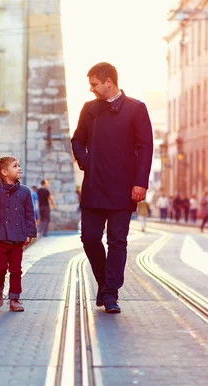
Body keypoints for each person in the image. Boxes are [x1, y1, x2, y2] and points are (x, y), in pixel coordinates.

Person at [71, 62, 153, 314]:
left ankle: (110, 294)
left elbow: (145, 147)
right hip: (94, 185)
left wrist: (140, 182)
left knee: (118, 241)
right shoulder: (89, 109)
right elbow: (77, 140)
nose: (92, 89)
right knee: (90, 238)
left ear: (109, 82)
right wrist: (85, 161)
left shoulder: (136, 109)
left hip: (123, 187)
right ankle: (105, 283)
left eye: (95, 84)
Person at [0, 156, 37, 312]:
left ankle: (14, 298)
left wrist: (30, 232)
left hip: (17, 237)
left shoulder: (25, 192)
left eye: (19, 165)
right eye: (15, 166)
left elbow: (29, 214)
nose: (19, 168)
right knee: (0, 268)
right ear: (5, 172)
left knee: (16, 269)